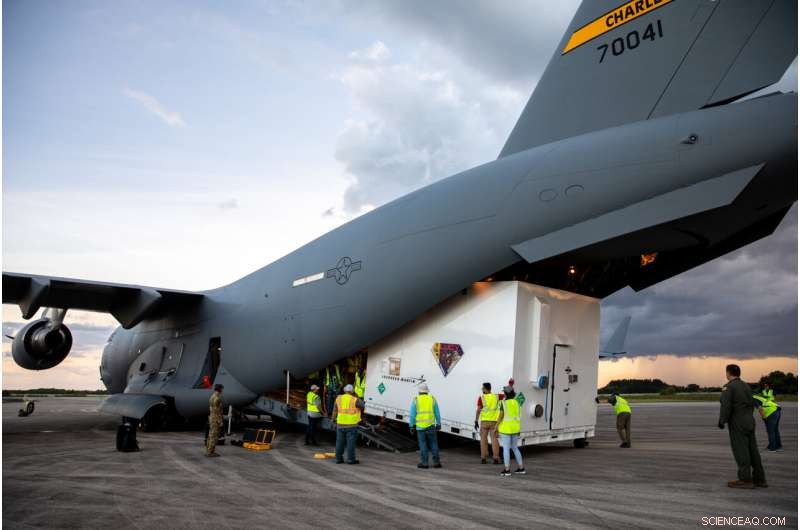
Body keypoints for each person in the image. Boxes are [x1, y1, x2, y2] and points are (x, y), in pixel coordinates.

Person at [719, 364, 767, 488]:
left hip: (738, 422)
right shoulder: (746, 386)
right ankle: (760, 478)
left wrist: (722, 421)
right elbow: (753, 402)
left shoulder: (729, 387)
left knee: (741, 450)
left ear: (728, 373)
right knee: (753, 450)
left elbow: (726, 406)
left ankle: (745, 479)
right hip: (749, 420)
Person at [410, 384, 442, 469]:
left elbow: (412, 415)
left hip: (420, 427)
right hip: (431, 425)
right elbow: (437, 413)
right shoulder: (432, 399)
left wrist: (411, 426)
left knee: (423, 444)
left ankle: (424, 463)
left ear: (419, 391)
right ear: (427, 391)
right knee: (433, 444)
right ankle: (436, 462)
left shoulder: (416, 400)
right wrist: (438, 423)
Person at [497, 385, 525, 477]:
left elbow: (501, 416)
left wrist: (496, 426)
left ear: (505, 393)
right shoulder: (517, 403)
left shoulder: (503, 403)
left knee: (506, 449)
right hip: (515, 428)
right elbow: (519, 415)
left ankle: (507, 470)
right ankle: (521, 468)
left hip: (506, 429)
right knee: (515, 448)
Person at [333, 384, 363, 464]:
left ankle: (338, 459)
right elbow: (363, 405)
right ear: (352, 391)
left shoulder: (338, 398)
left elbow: (335, 410)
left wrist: (333, 420)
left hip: (340, 424)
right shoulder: (355, 399)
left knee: (339, 443)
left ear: (344, 390)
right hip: (351, 425)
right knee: (350, 444)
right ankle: (350, 459)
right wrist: (357, 396)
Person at [474, 382, 501, 464]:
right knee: (494, 439)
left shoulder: (481, 398)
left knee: (483, 439)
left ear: (486, 389)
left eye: (483, 388)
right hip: (494, 422)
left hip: (484, 422)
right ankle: (496, 458)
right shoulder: (497, 396)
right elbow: (508, 396)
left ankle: (483, 458)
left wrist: (476, 420)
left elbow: (478, 410)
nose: (482, 389)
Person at [206, 383, 224, 457]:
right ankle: (210, 452)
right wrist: (220, 421)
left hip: (211, 417)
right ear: (220, 389)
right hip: (215, 418)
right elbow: (217, 411)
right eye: (222, 389)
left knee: (210, 434)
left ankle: (208, 450)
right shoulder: (217, 398)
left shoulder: (212, 396)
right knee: (214, 435)